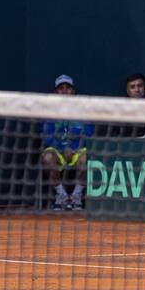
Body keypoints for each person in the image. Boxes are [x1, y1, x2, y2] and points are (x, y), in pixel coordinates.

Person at [41, 75, 93, 211]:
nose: (64, 91)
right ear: (55, 92)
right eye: (61, 88)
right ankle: (62, 196)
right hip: (57, 151)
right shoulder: (48, 112)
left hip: (78, 150)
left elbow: (88, 134)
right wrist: (62, 149)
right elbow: (47, 136)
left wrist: (74, 149)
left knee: (87, 158)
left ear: (73, 91)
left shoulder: (83, 110)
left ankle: (76, 197)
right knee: (47, 157)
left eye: (68, 88)